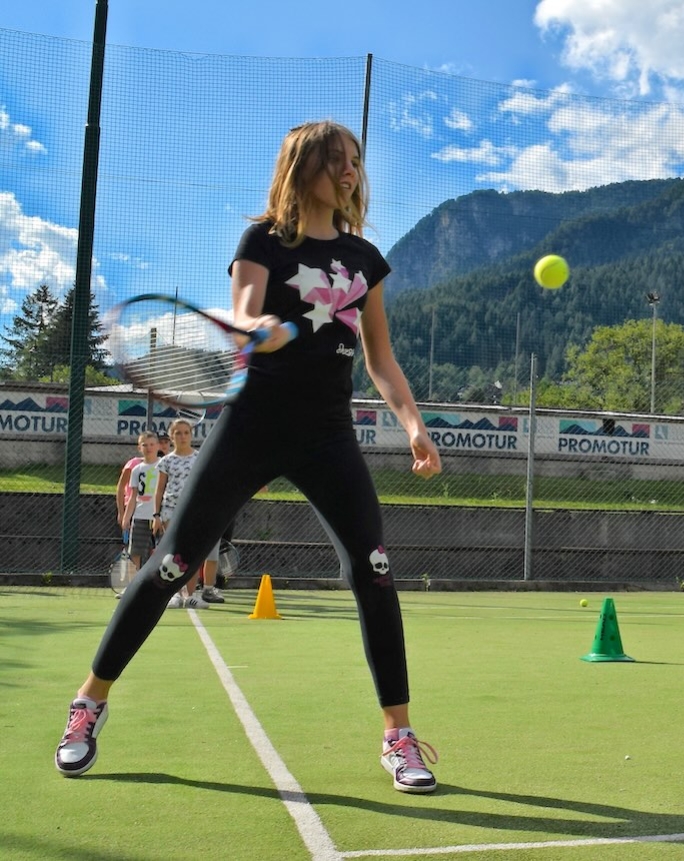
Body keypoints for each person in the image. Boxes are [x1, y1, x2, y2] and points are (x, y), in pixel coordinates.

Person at [56, 120, 443, 794]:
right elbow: (243, 313)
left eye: (354, 160)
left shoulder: (364, 260)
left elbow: (379, 358)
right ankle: (89, 702)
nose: (349, 171)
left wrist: (412, 423)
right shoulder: (261, 240)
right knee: (172, 563)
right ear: (302, 166)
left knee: (374, 570)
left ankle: (398, 735)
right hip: (251, 424)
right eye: (335, 160)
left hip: (328, 433)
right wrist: (256, 328)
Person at [153, 418, 221, 608]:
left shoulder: (200, 458)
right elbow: (159, 490)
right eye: (178, 433)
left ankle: (190, 595)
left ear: (191, 435)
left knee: (191, 554)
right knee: (173, 555)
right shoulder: (166, 461)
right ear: (172, 436)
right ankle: (174, 594)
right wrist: (156, 515)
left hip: (194, 511)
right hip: (170, 512)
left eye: (186, 433)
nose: (182, 437)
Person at [119, 432, 162, 580]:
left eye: (151, 444)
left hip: (161, 518)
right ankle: (132, 587)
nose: (148, 448)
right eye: (145, 445)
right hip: (140, 516)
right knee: (134, 553)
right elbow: (132, 496)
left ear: (158, 446)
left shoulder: (164, 466)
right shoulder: (137, 470)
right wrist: (126, 517)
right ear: (139, 447)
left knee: (164, 554)